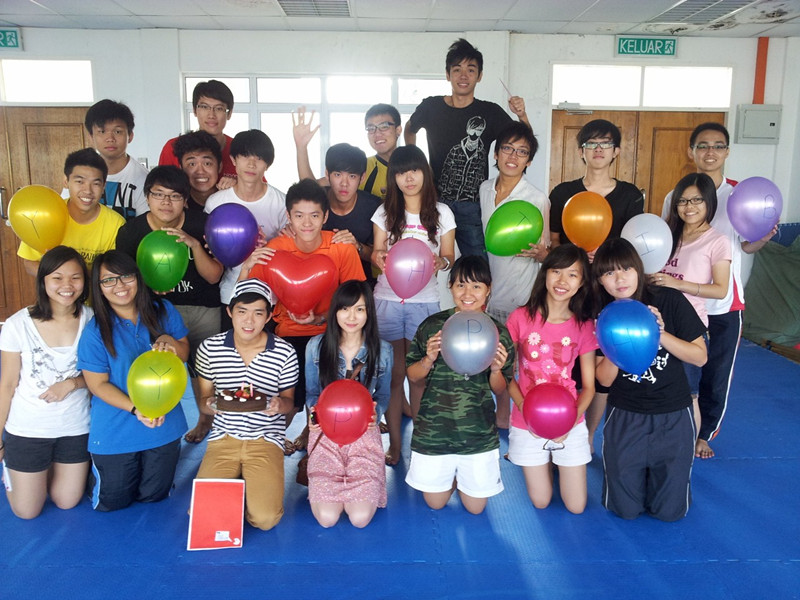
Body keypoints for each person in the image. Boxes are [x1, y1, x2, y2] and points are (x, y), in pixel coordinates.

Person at [660, 122, 777, 459]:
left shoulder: (741, 195)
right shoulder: (675, 196)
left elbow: (746, 246)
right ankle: (675, 426)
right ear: (691, 151)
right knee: (681, 371)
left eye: (718, 145)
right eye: (703, 145)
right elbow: (667, 243)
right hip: (683, 305)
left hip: (723, 303)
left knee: (716, 374)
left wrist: (763, 238)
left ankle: (704, 434)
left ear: (727, 151)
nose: (710, 152)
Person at [244, 179, 366, 452]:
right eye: (299, 216)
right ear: (288, 216)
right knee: (289, 399)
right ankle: (267, 446)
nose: (307, 223)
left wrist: (320, 318)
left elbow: (357, 301)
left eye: (314, 215)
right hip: (287, 336)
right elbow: (249, 297)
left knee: (324, 398)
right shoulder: (276, 248)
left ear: (325, 216)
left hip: (330, 334)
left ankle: (312, 443)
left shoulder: (341, 247)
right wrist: (246, 267)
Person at [593, 238, 707, 521]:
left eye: (626, 269)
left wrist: (660, 333)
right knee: (625, 510)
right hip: (626, 414)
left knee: (669, 513)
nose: (620, 279)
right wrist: (613, 342)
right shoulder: (601, 312)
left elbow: (699, 357)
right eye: (609, 273)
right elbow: (603, 380)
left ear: (638, 269)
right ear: (601, 280)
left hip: (673, 413)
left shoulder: (668, 299)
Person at [548, 118, 644, 451]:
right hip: (570, 291)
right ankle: (560, 424)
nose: (598, 149)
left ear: (616, 151)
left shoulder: (630, 196)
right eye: (591, 144)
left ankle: (588, 435)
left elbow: (631, 247)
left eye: (606, 144)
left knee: (604, 364)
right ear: (581, 151)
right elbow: (556, 244)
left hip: (609, 291)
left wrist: (602, 255)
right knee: (565, 361)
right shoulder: (563, 193)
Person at [115, 166, 223, 444]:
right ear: (147, 197)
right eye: (158, 194)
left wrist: (194, 245)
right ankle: (153, 418)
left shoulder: (203, 224)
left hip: (202, 308)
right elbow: (122, 280)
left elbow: (214, 276)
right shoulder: (130, 233)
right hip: (154, 311)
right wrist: (147, 288)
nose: (166, 202)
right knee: (155, 368)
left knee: (205, 370)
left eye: (175, 196)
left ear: (185, 200)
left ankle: (205, 420)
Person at [77, 250, 189, 512]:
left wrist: (169, 341)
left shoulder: (163, 310)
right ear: (99, 287)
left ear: (137, 277)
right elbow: (97, 385)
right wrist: (137, 409)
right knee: (113, 502)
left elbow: (184, 352)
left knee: (154, 495)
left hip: (163, 423)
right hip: (116, 428)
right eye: (108, 280)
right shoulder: (95, 331)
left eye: (126, 276)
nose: (119, 285)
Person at [405, 256, 514, 514]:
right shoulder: (433, 326)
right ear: (450, 287)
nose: (467, 294)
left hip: (477, 433)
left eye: (476, 286)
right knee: (435, 503)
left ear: (488, 289)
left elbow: (500, 389)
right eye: (460, 285)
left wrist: (496, 370)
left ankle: (460, 477)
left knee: (475, 508)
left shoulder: (499, 333)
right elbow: (413, 376)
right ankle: (451, 477)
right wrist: (428, 359)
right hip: (435, 432)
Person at [405, 38, 529, 258]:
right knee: (427, 258)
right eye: (457, 69)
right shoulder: (431, 106)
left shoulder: (490, 112)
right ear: (448, 74)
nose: (463, 76)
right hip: (434, 200)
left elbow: (524, 142)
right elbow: (409, 128)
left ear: (479, 76)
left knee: (477, 262)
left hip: (473, 204)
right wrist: (419, 164)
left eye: (471, 70)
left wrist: (522, 115)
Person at [370, 145, 456, 465]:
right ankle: (394, 445)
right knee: (394, 378)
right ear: (393, 177)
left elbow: (449, 256)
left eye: (415, 170)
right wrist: (378, 256)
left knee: (420, 377)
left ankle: (420, 444)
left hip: (424, 303)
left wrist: (440, 262)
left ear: (425, 173)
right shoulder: (384, 212)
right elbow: (376, 252)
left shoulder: (442, 213)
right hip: (388, 301)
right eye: (401, 172)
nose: (409, 178)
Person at [194, 279, 298, 531]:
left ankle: (246, 488)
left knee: (265, 519)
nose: (249, 321)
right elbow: (203, 404)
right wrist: (211, 403)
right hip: (223, 438)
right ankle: (239, 486)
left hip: (266, 438)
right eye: (242, 311)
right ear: (230, 312)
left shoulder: (285, 352)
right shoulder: (209, 348)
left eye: (258, 313)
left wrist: (278, 405)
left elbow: (289, 402)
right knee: (204, 515)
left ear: (269, 316)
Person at [0, 247, 92, 519]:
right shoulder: (17, 324)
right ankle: (12, 470)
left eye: (75, 277)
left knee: (66, 501)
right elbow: (7, 384)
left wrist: (71, 384)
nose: (67, 285)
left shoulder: (93, 320)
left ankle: (41, 471)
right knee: (27, 511)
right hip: (27, 430)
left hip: (75, 428)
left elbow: (103, 375)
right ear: (43, 280)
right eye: (57, 278)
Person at [505, 245, 597, 514]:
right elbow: (506, 374)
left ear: (582, 283)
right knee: (541, 501)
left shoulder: (584, 326)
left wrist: (569, 421)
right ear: (544, 273)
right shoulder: (520, 318)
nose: (562, 281)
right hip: (526, 419)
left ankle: (556, 461)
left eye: (572, 275)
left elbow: (589, 387)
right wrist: (525, 408)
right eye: (556, 271)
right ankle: (546, 461)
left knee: (576, 507)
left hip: (570, 420)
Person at [305, 280, 392, 528]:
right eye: (345, 309)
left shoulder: (383, 350)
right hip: (326, 434)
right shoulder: (316, 347)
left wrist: (376, 415)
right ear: (335, 311)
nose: (351, 317)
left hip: (364, 434)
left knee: (359, 518)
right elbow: (312, 393)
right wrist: (314, 418)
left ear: (369, 313)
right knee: (327, 518)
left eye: (359, 309)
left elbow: (384, 395)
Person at [653, 173, 731, 427]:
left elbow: (720, 289)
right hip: (657, 320)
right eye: (683, 201)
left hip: (689, 326)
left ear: (709, 202)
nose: (689, 207)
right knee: (655, 388)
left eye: (697, 200)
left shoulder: (717, 241)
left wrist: (678, 284)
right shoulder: (666, 234)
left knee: (689, 394)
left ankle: (688, 445)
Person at [205, 129, 288, 312]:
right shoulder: (216, 202)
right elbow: (212, 251)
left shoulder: (282, 203)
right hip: (231, 293)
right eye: (244, 156)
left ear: (267, 165)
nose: (251, 164)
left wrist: (267, 245)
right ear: (233, 160)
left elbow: (290, 250)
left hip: (271, 295)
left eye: (259, 158)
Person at [479, 121, 550, 324]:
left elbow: (545, 252)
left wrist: (541, 254)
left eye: (522, 152)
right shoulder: (484, 189)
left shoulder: (537, 199)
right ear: (496, 154)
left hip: (521, 298)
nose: (513, 156)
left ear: (529, 161)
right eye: (507, 148)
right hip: (487, 294)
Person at [18, 148, 125, 276]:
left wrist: (79, 281)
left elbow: (114, 271)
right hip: (55, 289)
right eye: (80, 182)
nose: (88, 191)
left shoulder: (116, 224)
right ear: (66, 181)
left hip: (94, 289)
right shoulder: (45, 215)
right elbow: (30, 262)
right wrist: (61, 280)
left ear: (103, 187)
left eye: (95, 184)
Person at [289, 140, 380, 286]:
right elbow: (305, 192)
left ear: (362, 178)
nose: (344, 183)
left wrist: (357, 246)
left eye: (352, 176)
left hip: (356, 286)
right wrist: (292, 229)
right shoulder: (317, 201)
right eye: (337, 175)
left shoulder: (374, 207)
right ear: (327, 174)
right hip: (315, 282)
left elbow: (378, 257)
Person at [292, 103, 402, 199]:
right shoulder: (362, 165)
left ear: (398, 130)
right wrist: (301, 148)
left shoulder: (410, 163)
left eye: (384, 126)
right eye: (371, 128)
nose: (377, 133)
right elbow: (311, 188)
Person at [82, 99, 149, 219]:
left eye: (118, 131)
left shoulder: (143, 179)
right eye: (102, 131)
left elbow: (146, 223)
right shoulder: (79, 174)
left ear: (130, 136)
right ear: (91, 137)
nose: (110, 138)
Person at [159, 79, 236, 179]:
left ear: (229, 114)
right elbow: (162, 185)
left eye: (219, 108)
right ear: (195, 110)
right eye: (204, 107)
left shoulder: (239, 150)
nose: (211, 115)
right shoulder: (173, 148)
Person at [173, 130, 223, 211]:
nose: (200, 171)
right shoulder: (176, 206)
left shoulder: (230, 199)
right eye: (192, 164)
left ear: (219, 167)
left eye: (207, 163)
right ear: (181, 168)